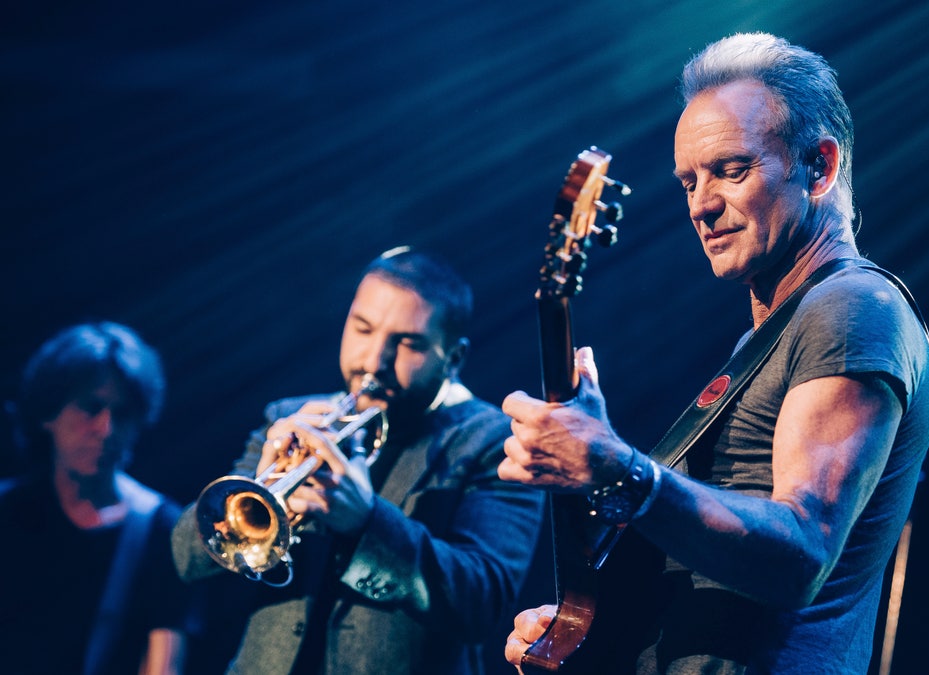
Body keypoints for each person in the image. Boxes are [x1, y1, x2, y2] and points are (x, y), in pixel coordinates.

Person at [500, 32, 929, 674]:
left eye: (732, 170)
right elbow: (708, 565)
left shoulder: (851, 309)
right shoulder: (771, 337)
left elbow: (802, 552)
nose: (703, 205)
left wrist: (621, 467)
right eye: (689, 182)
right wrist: (596, 622)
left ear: (819, 166)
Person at [171, 246, 546, 674]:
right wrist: (263, 482)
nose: (373, 362)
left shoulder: (495, 442)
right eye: (363, 329)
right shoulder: (288, 419)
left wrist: (365, 522)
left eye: (407, 343)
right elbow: (184, 556)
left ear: (454, 358)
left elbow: (485, 605)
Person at [0, 321, 197, 675]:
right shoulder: (7, 511)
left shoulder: (163, 529)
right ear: (48, 412)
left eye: (122, 415)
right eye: (91, 408)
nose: (106, 430)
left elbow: (163, 665)